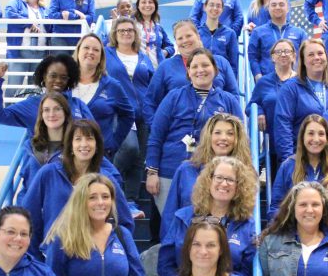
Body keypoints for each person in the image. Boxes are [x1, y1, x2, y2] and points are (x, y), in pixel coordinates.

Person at [146, 49, 245, 214]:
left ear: (215, 69)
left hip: (215, 175)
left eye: (205, 65)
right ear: (188, 72)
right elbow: (156, 136)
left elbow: (241, 141)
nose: (200, 70)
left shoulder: (228, 100)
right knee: (176, 226)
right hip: (170, 170)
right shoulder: (173, 97)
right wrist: (152, 172)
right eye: (195, 66)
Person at [22, 119, 134, 259]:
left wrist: (111, 255)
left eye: (89, 139)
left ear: (97, 145)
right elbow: (29, 215)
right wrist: (36, 256)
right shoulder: (48, 173)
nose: (84, 144)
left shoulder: (107, 180)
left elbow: (125, 223)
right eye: (78, 139)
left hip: (93, 260)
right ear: (70, 145)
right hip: (54, 256)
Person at [159, 156, 257, 276]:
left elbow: (246, 272)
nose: (224, 183)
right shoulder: (183, 217)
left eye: (230, 180)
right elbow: (166, 263)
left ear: (239, 187)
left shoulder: (246, 224)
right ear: (208, 180)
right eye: (219, 177)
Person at [161, 113, 252, 239]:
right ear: (208, 137)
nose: (224, 138)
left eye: (230, 134)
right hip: (187, 242)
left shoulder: (246, 174)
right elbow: (169, 216)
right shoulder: (186, 170)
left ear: (238, 140)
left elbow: (246, 214)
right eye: (217, 132)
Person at [269, 115, 328, 232]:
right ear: (302, 137)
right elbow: (275, 208)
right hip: (295, 242)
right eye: (310, 133)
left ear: (327, 138)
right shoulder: (288, 166)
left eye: (321, 134)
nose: (316, 139)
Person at [106, 17, 156, 219]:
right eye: (121, 30)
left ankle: (130, 202)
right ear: (114, 34)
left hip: (143, 113)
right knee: (130, 148)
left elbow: (152, 85)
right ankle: (106, 183)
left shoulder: (143, 57)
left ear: (135, 34)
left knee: (138, 159)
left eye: (129, 30)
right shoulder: (107, 54)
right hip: (119, 112)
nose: (126, 33)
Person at [144, 20, 238, 125]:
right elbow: (150, 102)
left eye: (188, 36)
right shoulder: (166, 67)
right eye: (180, 38)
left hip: (216, 132)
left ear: (198, 36)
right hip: (178, 134)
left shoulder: (220, 62)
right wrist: (157, 130)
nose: (185, 41)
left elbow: (234, 96)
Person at [0, 54, 94, 134]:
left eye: (63, 77)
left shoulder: (78, 105)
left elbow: (92, 134)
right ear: (44, 76)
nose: (58, 80)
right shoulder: (31, 104)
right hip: (40, 161)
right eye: (53, 76)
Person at [274, 38, 328, 161]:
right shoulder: (291, 88)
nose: (317, 58)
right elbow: (283, 126)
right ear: (302, 61)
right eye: (311, 55)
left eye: (320, 53)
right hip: (301, 158)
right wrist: (289, 160)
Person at [72, 33, 135, 155]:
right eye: (86, 48)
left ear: (101, 57)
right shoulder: (65, 82)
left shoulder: (112, 85)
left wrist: (114, 143)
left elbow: (128, 115)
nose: (91, 52)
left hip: (100, 157)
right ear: (78, 51)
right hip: (67, 156)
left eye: (96, 50)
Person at [15, 91, 71, 205]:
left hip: (61, 211)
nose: (51, 114)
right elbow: (26, 186)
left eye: (57, 109)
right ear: (41, 114)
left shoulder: (76, 146)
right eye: (46, 110)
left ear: (65, 112)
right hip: (31, 211)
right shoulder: (32, 146)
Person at [4, 0, 49, 97]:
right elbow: (9, 13)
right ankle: (7, 113)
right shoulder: (17, 3)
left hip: (40, 53)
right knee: (13, 87)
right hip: (20, 52)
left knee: (35, 90)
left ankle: (31, 115)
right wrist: (29, 23)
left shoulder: (44, 10)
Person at [247, 0, 307, 81]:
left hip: (294, 83)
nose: (277, 7)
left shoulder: (299, 33)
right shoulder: (257, 32)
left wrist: (302, 78)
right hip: (268, 83)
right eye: (273, 5)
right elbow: (253, 57)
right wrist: (258, 77)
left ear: (288, 8)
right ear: (268, 8)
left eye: (281, 4)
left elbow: (305, 57)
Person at [249, 39, 297, 142]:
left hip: (298, 141)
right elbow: (251, 105)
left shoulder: (302, 81)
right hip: (273, 141)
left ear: (294, 56)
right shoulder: (263, 82)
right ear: (272, 57)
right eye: (278, 52)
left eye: (287, 51)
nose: (283, 54)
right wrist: (259, 112)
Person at [198, 0, 239, 74]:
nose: (215, 8)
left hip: (222, 78)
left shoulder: (230, 34)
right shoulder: (197, 33)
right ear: (205, 7)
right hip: (201, 76)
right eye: (211, 5)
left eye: (218, 6)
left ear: (222, 10)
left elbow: (234, 64)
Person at [133, 0, 174, 68]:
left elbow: (171, 47)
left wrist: (164, 52)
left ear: (155, 6)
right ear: (138, 6)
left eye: (151, 2)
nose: (147, 5)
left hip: (158, 70)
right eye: (144, 2)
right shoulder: (132, 25)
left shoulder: (158, 28)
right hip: (139, 69)